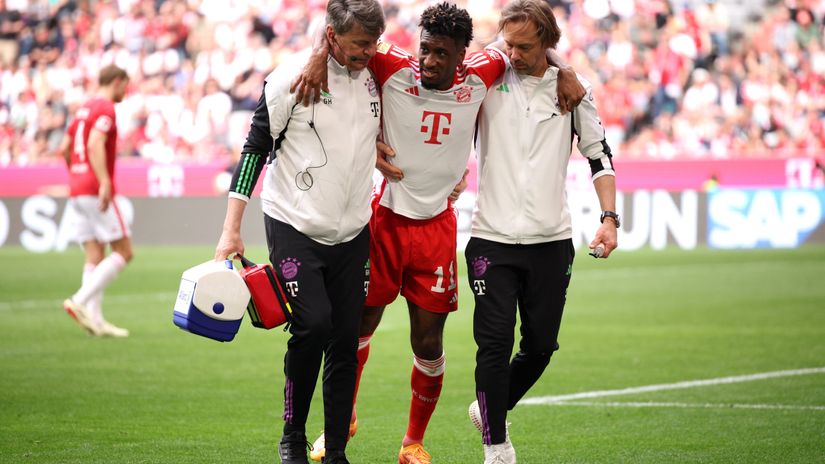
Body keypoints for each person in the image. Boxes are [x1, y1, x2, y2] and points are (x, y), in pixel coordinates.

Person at [295, 3, 585, 463]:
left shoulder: (482, 71)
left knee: (428, 341)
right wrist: (314, 56)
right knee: (358, 327)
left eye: (440, 54)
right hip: (383, 218)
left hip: (436, 227)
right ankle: (339, 425)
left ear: (461, 55)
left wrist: (565, 68)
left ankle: (412, 442)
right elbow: (339, 34)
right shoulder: (392, 63)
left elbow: (527, 46)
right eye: (424, 49)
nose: (428, 60)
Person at [212, 1, 385, 463]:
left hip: (353, 230)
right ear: (331, 37)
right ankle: (292, 434)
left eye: (373, 43)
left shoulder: (377, 73)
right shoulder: (290, 77)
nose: (369, 52)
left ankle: (336, 452)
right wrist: (232, 229)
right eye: (358, 45)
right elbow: (254, 150)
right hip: (294, 222)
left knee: (345, 341)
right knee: (313, 325)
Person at [465, 1, 618, 463]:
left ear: (548, 43)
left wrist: (610, 218)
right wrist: (558, 60)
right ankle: (496, 446)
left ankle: (490, 407)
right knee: (493, 345)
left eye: (526, 46)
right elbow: (472, 57)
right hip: (490, 236)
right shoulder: (490, 77)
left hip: (551, 240)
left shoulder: (574, 91)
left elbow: (599, 156)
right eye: (508, 43)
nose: (513, 53)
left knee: (540, 346)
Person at [60, 64, 133, 338]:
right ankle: (79, 302)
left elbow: (64, 149)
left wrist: (77, 173)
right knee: (124, 251)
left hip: (76, 188)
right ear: (116, 81)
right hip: (93, 187)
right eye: (125, 85)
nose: (126, 91)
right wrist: (103, 179)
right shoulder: (104, 108)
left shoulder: (82, 109)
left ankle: (96, 321)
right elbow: (94, 143)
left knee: (94, 253)